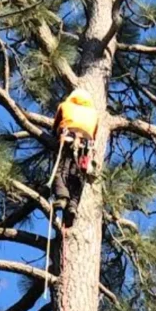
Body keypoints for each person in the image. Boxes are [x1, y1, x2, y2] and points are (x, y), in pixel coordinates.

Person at [50, 88, 99, 225]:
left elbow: (55, 127)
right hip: (86, 145)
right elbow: (94, 133)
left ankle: (62, 197)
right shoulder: (94, 113)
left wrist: (56, 133)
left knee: (60, 170)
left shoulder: (65, 105)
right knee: (79, 175)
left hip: (68, 139)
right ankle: (73, 204)